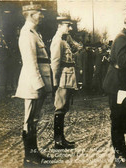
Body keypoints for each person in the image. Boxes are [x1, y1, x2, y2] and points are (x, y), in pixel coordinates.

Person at [14, 2, 52, 165]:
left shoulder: (34, 32)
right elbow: (30, 62)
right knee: (30, 120)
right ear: (30, 14)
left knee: (34, 119)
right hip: (33, 83)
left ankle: (34, 153)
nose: (41, 16)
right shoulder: (27, 33)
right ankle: (29, 156)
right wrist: (39, 84)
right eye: (38, 13)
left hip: (37, 82)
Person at [102, 11, 126, 165]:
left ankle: (122, 151)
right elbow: (122, 61)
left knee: (121, 119)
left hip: (120, 85)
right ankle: (119, 155)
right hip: (116, 86)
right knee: (117, 120)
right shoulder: (122, 38)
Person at [50, 16, 77, 149]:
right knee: (60, 107)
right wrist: (55, 83)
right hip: (62, 79)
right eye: (68, 25)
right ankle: (58, 140)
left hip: (67, 77)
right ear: (60, 25)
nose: (70, 28)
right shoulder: (57, 41)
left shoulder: (64, 40)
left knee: (64, 107)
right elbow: (55, 63)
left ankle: (61, 138)